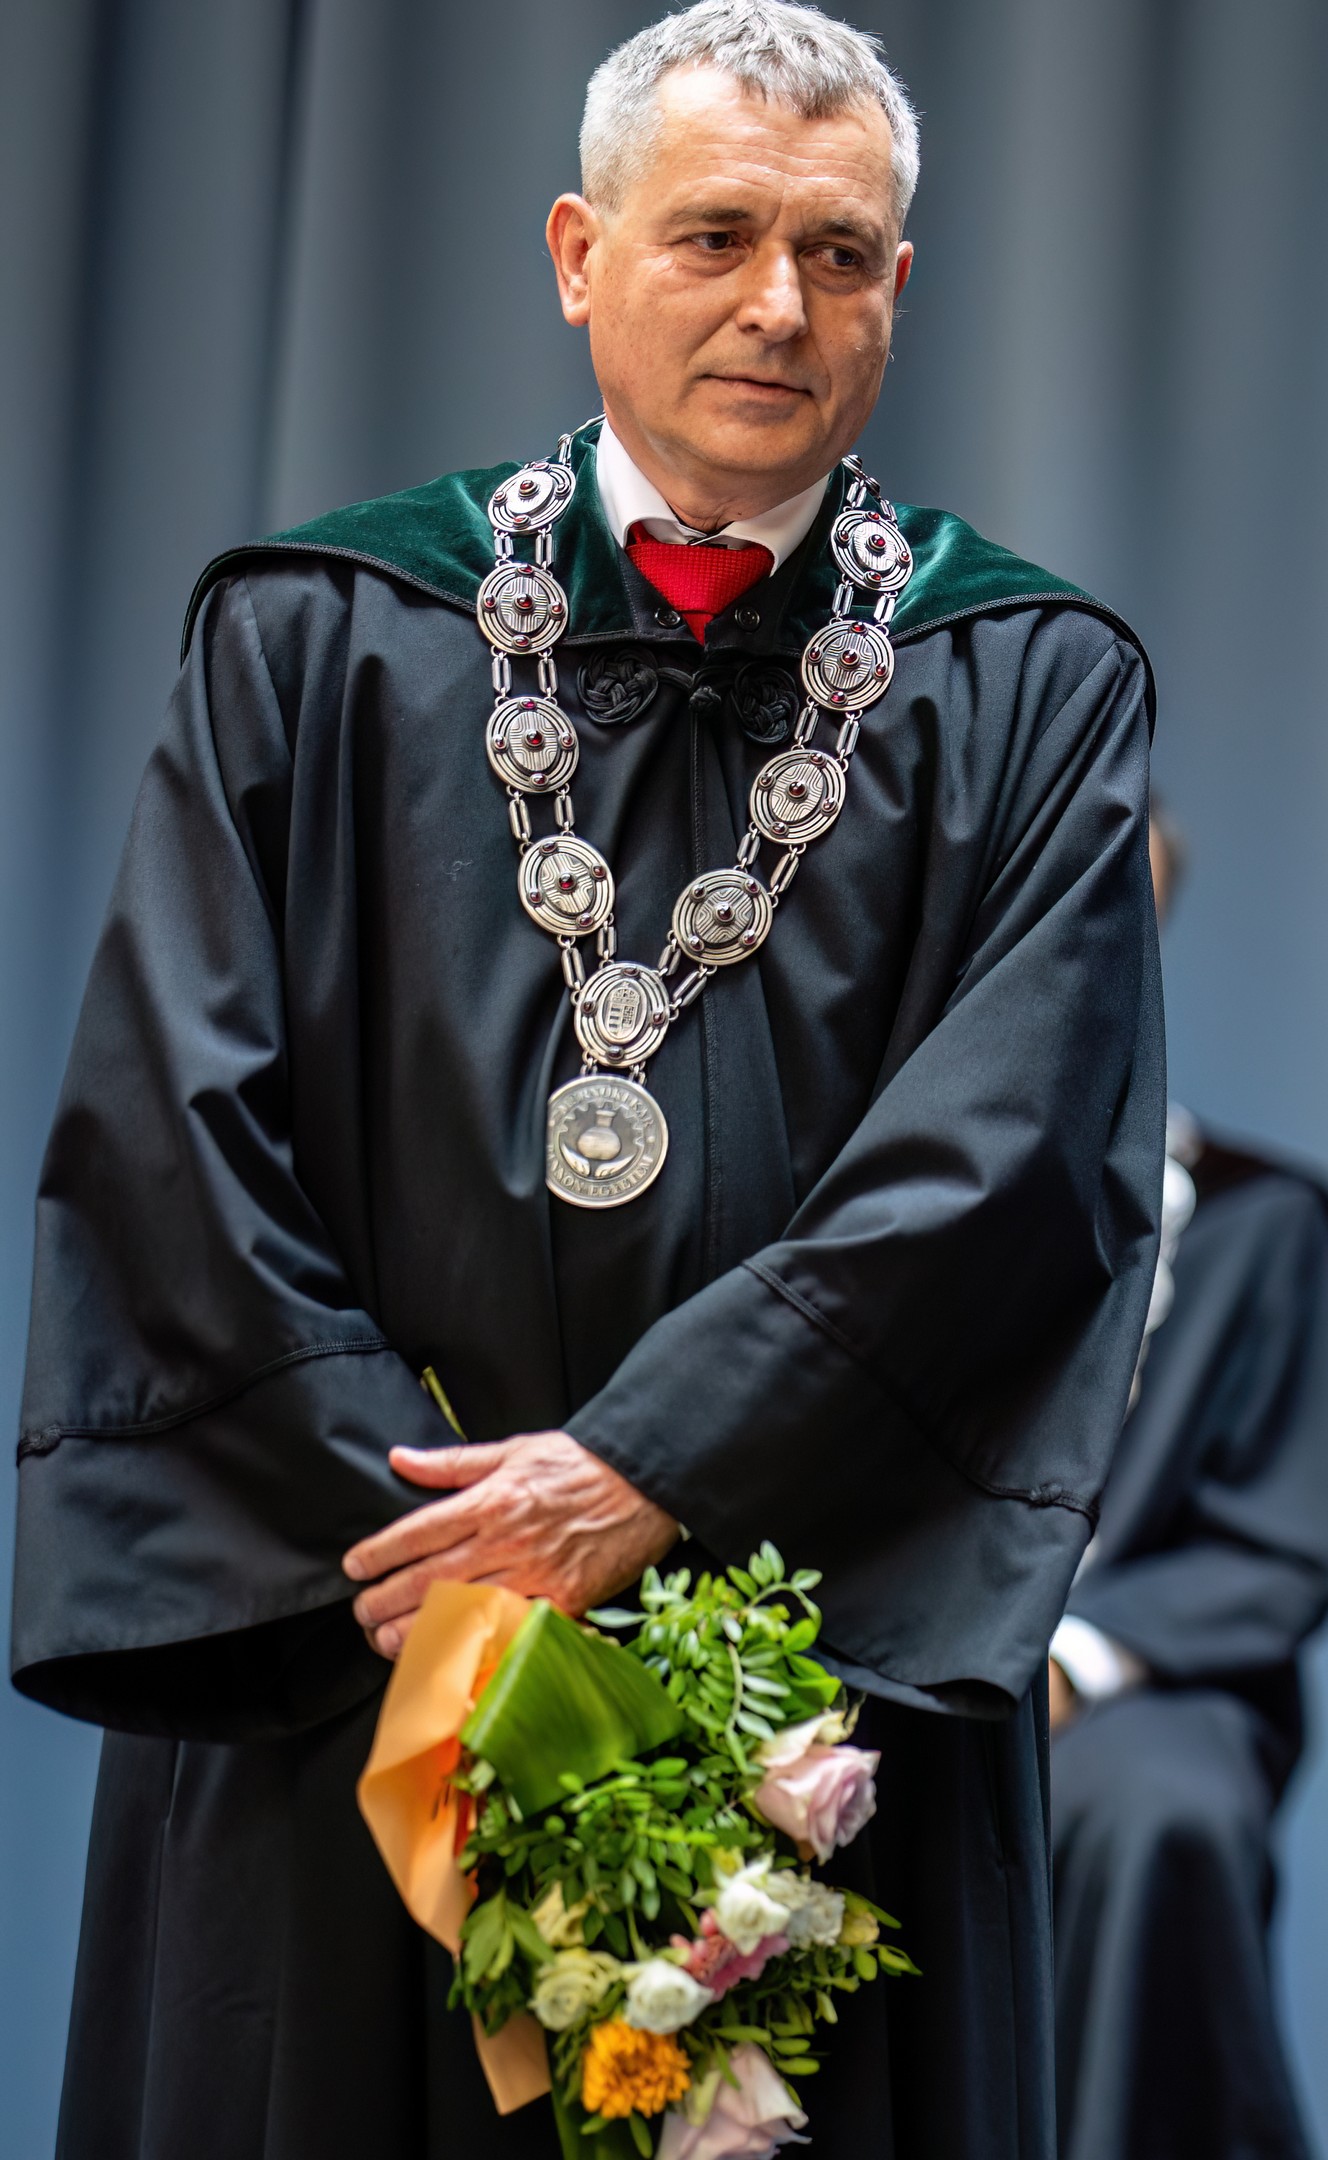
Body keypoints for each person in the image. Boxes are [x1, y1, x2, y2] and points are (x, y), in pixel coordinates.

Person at [12, 7, 1165, 2155]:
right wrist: (454, 1555)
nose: (777, 303)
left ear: (899, 287)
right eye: (715, 234)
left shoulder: (1030, 688)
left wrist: (648, 1472)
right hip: (363, 1641)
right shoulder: (318, 636)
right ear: (577, 252)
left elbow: (1009, 1170)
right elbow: (177, 1128)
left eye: (838, 254)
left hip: (809, 1671)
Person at [1048, 814, 1328, 2160]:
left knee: (1164, 1815)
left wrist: (1068, 1662)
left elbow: (1272, 1551)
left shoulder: (1256, 1223)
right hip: (863, 1651)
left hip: (1128, 1680)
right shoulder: (837, 1202)